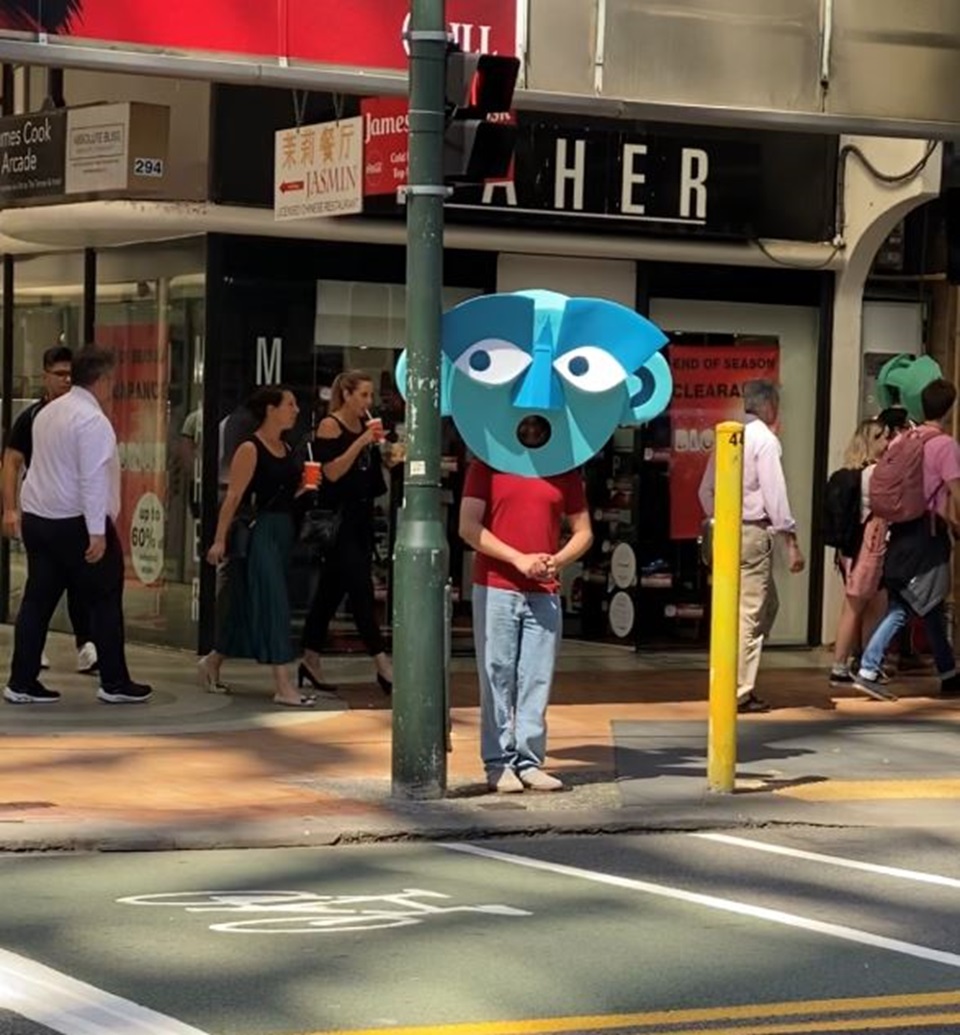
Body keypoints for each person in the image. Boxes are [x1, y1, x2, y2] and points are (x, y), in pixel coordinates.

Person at [4, 346, 151, 705]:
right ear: (102, 380)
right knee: (104, 600)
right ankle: (114, 682)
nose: (112, 387)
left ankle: (21, 682)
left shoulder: (46, 414)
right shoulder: (92, 420)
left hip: (40, 519)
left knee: (37, 602)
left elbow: (36, 468)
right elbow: (92, 478)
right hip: (76, 523)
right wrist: (97, 532)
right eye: (111, 380)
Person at [459, 429, 593, 793]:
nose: (532, 427)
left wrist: (556, 560)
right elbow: (468, 527)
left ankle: (529, 760)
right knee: (497, 673)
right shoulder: (486, 465)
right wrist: (519, 559)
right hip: (496, 586)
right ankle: (499, 762)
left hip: (543, 588)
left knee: (536, 675)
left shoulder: (565, 469)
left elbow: (583, 531)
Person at [201, 386, 313, 707]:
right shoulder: (250, 448)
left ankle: (213, 661)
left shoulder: (286, 446)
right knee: (275, 602)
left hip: (283, 529)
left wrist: (304, 487)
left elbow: (283, 494)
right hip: (260, 530)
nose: (295, 410)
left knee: (243, 605)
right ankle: (283, 685)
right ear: (270, 409)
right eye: (289, 404)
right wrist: (219, 539)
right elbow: (234, 497)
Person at [698, 379, 805, 714]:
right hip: (753, 533)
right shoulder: (765, 441)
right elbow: (776, 496)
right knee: (751, 614)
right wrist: (790, 541)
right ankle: (739, 690)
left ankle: (733, 675)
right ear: (770, 405)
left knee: (760, 606)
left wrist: (718, 520)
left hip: (726, 531)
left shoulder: (729, 436)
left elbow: (705, 490)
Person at [853, 378, 960, 701]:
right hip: (927, 534)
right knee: (906, 605)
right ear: (950, 409)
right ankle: (868, 668)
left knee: (928, 604)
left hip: (899, 529)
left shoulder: (904, 440)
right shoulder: (945, 445)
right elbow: (956, 489)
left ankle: (949, 672)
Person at [1, 345, 98, 675]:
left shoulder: (83, 415)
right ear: (45, 377)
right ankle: (34, 648)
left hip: (75, 514)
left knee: (78, 582)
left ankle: (86, 643)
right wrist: (10, 509)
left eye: (71, 375)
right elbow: (12, 462)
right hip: (42, 513)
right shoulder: (32, 417)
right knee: (41, 585)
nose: (66, 380)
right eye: (59, 375)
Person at [299, 371, 395, 694]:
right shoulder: (332, 426)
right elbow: (332, 471)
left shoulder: (365, 428)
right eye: (364, 395)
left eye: (371, 396)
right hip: (339, 522)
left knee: (330, 593)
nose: (369, 402)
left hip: (361, 518)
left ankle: (310, 656)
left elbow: (369, 479)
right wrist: (361, 442)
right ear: (347, 395)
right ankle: (383, 664)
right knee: (361, 590)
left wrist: (385, 454)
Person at [827, 419, 890, 688]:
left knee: (869, 603)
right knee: (858, 606)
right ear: (870, 443)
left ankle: (863, 662)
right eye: (882, 438)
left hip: (851, 549)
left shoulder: (851, 473)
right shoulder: (875, 474)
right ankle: (846, 666)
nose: (887, 444)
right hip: (869, 546)